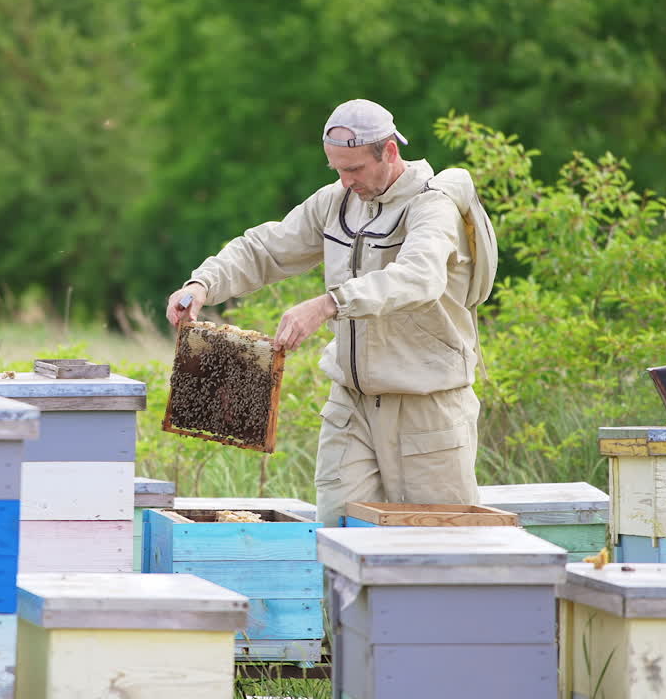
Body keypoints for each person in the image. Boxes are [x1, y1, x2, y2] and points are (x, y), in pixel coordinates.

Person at [165, 99, 485, 528]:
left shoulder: (433, 206)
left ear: (389, 152)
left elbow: (419, 277)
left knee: (435, 551)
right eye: (337, 169)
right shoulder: (335, 203)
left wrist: (330, 302)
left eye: (354, 169)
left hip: (427, 407)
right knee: (337, 544)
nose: (345, 180)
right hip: (350, 405)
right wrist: (203, 283)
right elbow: (265, 247)